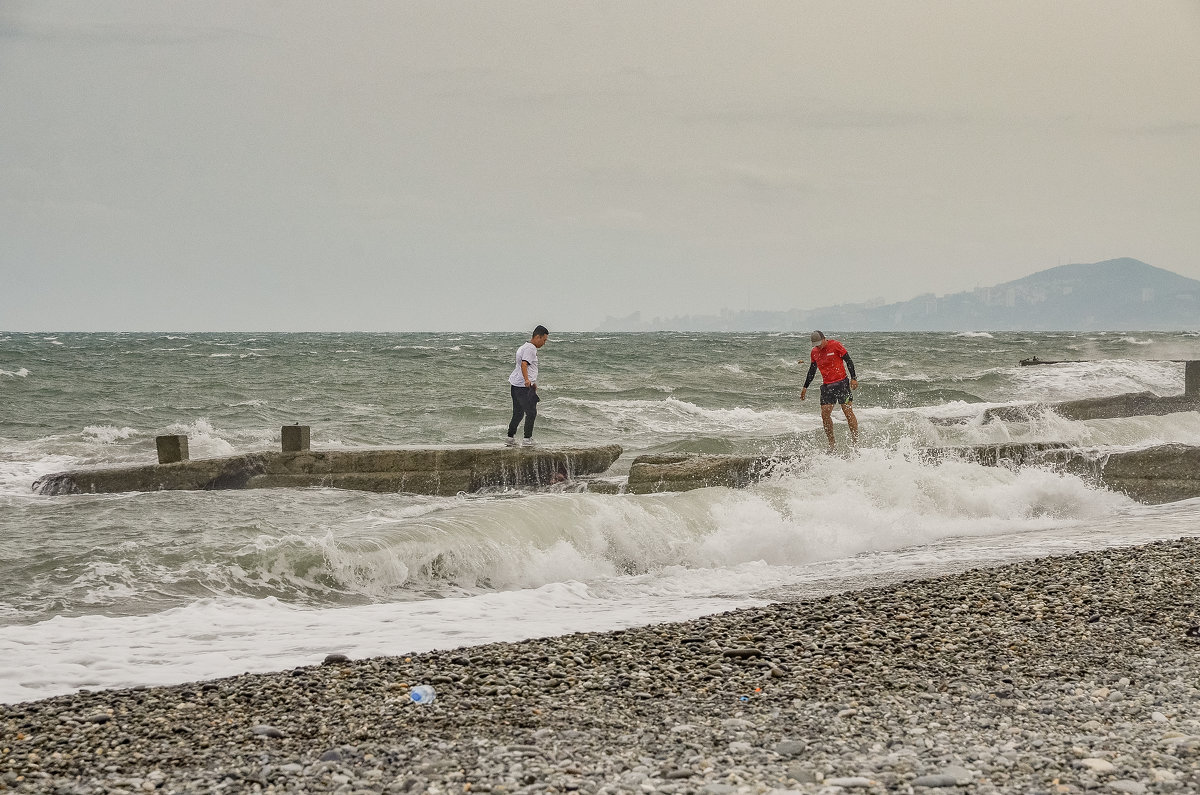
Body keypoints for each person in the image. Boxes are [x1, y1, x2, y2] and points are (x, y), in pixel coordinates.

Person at [799, 330, 859, 451]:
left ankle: (855, 441)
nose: (818, 346)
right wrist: (805, 387)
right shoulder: (814, 352)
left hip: (842, 383)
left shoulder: (836, 345)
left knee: (848, 412)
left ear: (824, 338)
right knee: (825, 414)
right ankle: (832, 444)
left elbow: (849, 361)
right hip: (827, 386)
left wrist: (853, 378)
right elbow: (812, 370)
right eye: (815, 344)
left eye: (819, 343)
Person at [506, 325, 549, 446]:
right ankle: (527, 439)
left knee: (518, 412)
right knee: (531, 412)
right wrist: (527, 381)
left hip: (515, 384)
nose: (544, 343)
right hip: (523, 386)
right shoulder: (531, 348)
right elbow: (524, 364)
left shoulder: (524, 346)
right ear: (537, 337)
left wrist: (532, 383)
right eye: (544, 340)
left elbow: (524, 366)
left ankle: (510, 437)